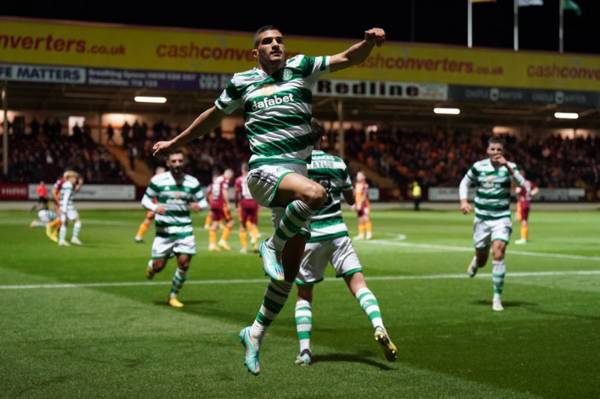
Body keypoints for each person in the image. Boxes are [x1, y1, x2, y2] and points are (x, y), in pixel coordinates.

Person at [152, 25, 386, 375]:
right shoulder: (243, 82)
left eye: (279, 40)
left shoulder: (302, 68)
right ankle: (271, 244)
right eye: (266, 42)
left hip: (295, 177)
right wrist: (175, 143)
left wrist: (368, 44)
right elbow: (212, 117)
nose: (275, 45)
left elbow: (348, 58)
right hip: (264, 172)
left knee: (287, 277)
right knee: (317, 194)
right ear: (255, 52)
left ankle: (254, 332)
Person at [293, 120, 397, 366]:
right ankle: (379, 325)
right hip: (338, 232)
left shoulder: (297, 166)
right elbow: (351, 199)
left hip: (311, 235)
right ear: (323, 139)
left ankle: (305, 351)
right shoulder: (337, 163)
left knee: (304, 294)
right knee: (359, 285)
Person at [459, 137, 527, 312]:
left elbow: (523, 184)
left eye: (499, 150)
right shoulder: (479, 167)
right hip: (482, 218)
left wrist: (508, 166)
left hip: (501, 218)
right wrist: (464, 201)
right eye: (493, 149)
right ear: (487, 151)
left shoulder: (509, 167)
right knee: (482, 259)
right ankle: (477, 260)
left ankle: (497, 297)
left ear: (503, 152)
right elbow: (464, 182)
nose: (496, 152)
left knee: (498, 251)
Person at [142, 150, 207, 308]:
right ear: (168, 163)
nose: (177, 164)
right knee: (159, 267)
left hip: (184, 230)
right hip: (164, 232)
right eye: (174, 161)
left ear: (183, 162)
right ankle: (152, 266)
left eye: (180, 161)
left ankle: (173, 296)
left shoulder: (192, 182)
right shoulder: (158, 180)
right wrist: (155, 207)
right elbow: (145, 200)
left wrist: (199, 206)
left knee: (184, 264)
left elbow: (204, 202)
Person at [134, 165, 166, 243]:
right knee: (151, 219)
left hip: (157, 203)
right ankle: (139, 236)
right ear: (158, 172)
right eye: (162, 172)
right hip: (155, 203)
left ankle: (139, 236)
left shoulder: (161, 180)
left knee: (150, 219)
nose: (164, 173)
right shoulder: (155, 180)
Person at [235, 162, 261, 253]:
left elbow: (237, 194)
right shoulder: (254, 178)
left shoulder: (239, 180)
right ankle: (255, 244)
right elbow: (258, 191)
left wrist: (237, 205)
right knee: (253, 224)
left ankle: (244, 247)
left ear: (242, 170)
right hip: (254, 202)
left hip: (244, 202)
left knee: (242, 225)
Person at [208, 168, 234, 251]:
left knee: (215, 222)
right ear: (229, 175)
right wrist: (228, 203)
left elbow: (210, 191)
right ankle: (223, 241)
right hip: (220, 204)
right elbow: (224, 191)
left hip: (213, 203)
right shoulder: (225, 180)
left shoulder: (217, 179)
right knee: (230, 222)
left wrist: (211, 203)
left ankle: (212, 245)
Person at [58, 171, 84, 246]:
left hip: (63, 206)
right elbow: (66, 197)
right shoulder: (69, 185)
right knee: (77, 221)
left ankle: (61, 240)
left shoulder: (66, 185)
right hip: (68, 207)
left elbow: (67, 195)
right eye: (74, 178)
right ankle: (74, 238)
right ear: (70, 178)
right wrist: (64, 210)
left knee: (64, 223)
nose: (75, 179)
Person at [515, 175, 538, 244]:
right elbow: (536, 189)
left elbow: (517, 191)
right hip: (528, 202)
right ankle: (524, 238)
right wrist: (531, 194)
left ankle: (523, 238)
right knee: (524, 220)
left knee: (523, 220)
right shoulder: (529, 182)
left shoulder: (520, 183)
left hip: (522, 202)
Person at [354, 171, 372, 240]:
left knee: (366, 218)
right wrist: (354, 204)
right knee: (360, 219)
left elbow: (364, 196)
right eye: (357, 175)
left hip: (364, 205)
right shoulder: (357, 185)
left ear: (364, 177)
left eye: (360, 175)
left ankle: (369, 233)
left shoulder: (365, 185)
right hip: (358, 205)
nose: (358, 177)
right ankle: (361, 234)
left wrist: (360, 204)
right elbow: (355, 195)